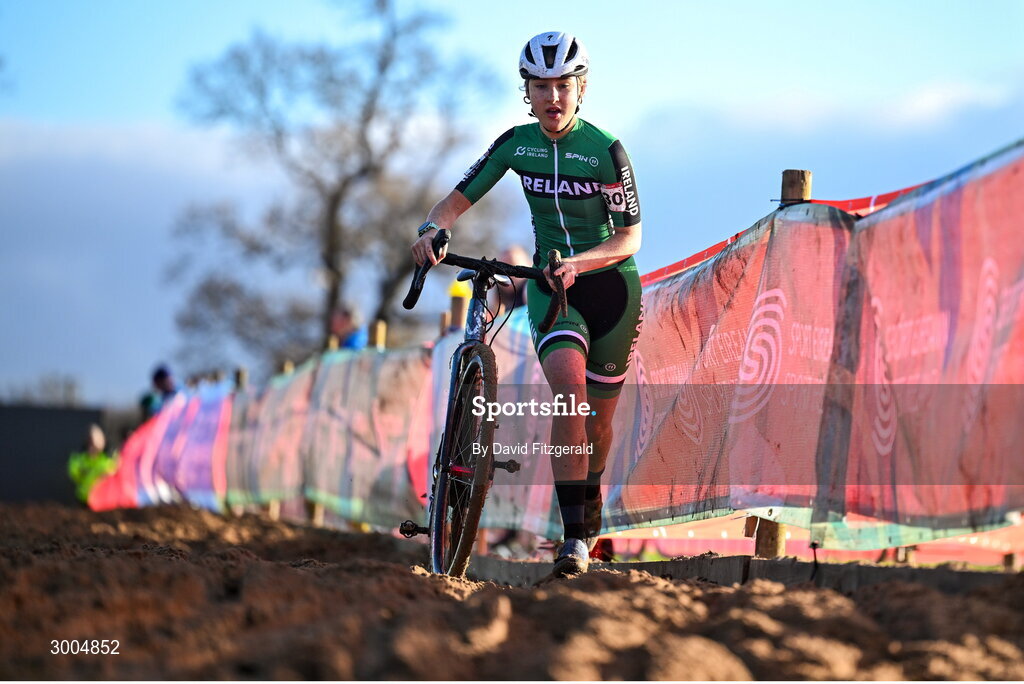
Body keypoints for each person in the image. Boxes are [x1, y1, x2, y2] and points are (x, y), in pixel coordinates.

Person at [411, 31, 643, 577]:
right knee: (568, 395)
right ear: (528, 92)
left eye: (563, 85)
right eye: (542, 86)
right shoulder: (516, 144)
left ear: (580, 88)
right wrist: (431, 228)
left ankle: (587, 513)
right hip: (549, 287)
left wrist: (582, 263)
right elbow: (454, 200)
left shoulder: (605, 149)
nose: (553, 98)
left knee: (599, 426)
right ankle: (573, 541)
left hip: (610, 286)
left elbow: (631, 237)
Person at [67, 424, 118, 506]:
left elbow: (116, 473)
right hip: (83, 499)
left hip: (105, 501)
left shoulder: (109, 458)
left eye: (96, 441)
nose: (92, 445)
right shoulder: (79, 458)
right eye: (90, 441)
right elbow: (74, 474)